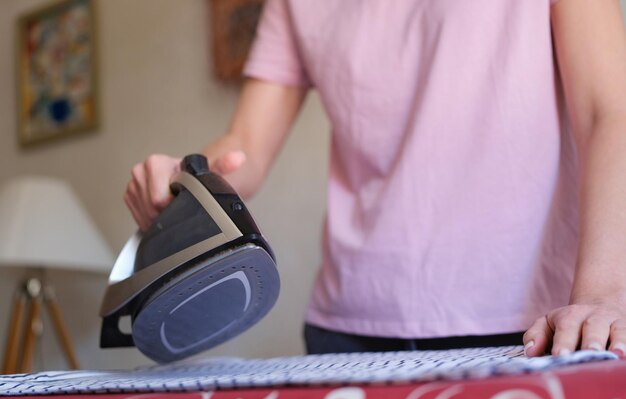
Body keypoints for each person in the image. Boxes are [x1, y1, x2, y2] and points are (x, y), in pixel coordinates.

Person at [125, 0, 626, 357]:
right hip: (348, 324)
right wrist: (184, 177)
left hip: (527, 318)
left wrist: (603, 295)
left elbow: (610, 111)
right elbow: (246, 150)